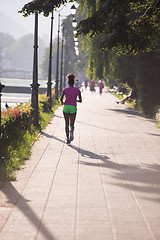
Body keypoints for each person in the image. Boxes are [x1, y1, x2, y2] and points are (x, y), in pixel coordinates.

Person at [60, 73, 82, 144]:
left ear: (68, 82)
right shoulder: (77, 90)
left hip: (66, 107)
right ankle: (71, 131)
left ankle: (67, 139)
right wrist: (75, 100)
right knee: (71, 124)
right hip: (73, 107)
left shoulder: (65, 90)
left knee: (66, 123)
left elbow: (61, 98)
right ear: (74, 82)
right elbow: (80, 100)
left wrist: (62, 102)